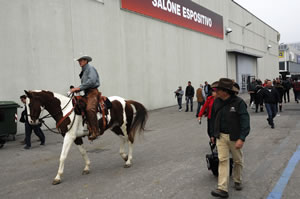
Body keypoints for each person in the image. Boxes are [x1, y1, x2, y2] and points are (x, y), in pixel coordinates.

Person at [209, 78, 250, 198]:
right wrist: (212, 134)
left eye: (218, 90)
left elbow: (245, 121)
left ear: (225, 91)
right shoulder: (217, 102)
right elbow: (213, 119)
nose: (216, 91)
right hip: (220, 136)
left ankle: (237, 180)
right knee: (223, 160)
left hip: (235, 137)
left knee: (237, 160)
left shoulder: (239, 103)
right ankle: (222, 189)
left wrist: (242, 138)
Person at [70, 55, 100, 140]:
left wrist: (78, 88)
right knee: (77, 105)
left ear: (86, 61)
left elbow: (91, 81)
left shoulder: (90, 69)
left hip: (93, 92)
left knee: (90, 109)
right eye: (79, 61)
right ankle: (84, 127)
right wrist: (78, 89)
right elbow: (85, 84)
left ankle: (95, 131)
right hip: (87, 92)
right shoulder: (84, 70)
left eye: (81, 60)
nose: (79, 62)